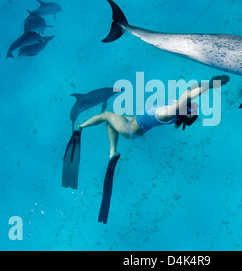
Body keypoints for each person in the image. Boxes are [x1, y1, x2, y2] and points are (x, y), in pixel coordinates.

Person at [62, 74, 230, 223]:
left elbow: (189, 94)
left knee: (107, 115)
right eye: (193, 107)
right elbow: (191, 90)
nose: (194, 106)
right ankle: (112, 152)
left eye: (192, 109)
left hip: (130, 129)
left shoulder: (171, 111)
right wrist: (207, 84)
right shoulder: (176, 110)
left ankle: (80, 128)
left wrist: (211, 85)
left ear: (184, 112)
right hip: (133, 125)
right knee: (111, 123)